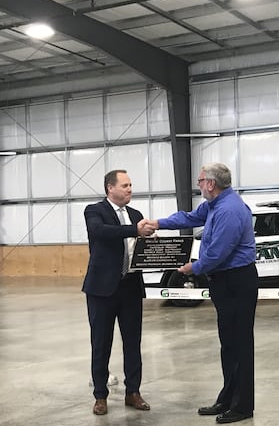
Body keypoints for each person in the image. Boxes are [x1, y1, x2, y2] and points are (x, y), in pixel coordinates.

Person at [147, 162, 258, 425]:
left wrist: (193, 268)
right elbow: (189, 217)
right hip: (224, 281)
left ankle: (243, 406)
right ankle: (227, 397)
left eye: (199, 181)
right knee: (228, 344)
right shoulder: (214, 204)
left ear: (210, 183)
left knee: (240, 344)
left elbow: (219, 252)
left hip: (237, 281)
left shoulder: (229, 210)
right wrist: (158, 223)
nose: (198, 185)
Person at [83, 169, 154, 416]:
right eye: (125, 185)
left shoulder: (137, 215)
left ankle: (133, 391)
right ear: (110, 188)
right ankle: (100, 395)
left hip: (131, 286)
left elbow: (142, 246)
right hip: (101, 289)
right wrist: (135, 230)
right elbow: (100, 232)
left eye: (131, 185)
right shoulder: (95, 211)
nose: (130, 189)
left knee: (133, 342)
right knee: (101, 343)